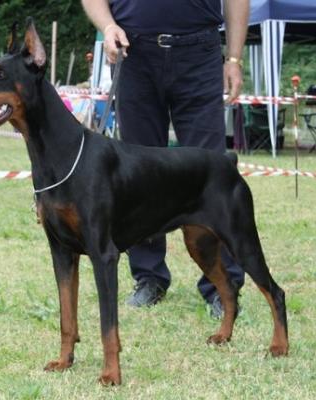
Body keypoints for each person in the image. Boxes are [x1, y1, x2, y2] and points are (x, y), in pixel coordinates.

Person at [81, 0, 249, 317]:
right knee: (136, 174)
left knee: (211, 174)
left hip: (200, 52)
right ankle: (149, 278)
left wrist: (235, 58)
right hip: (134, 52)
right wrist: (107, 26)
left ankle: (222, 285)